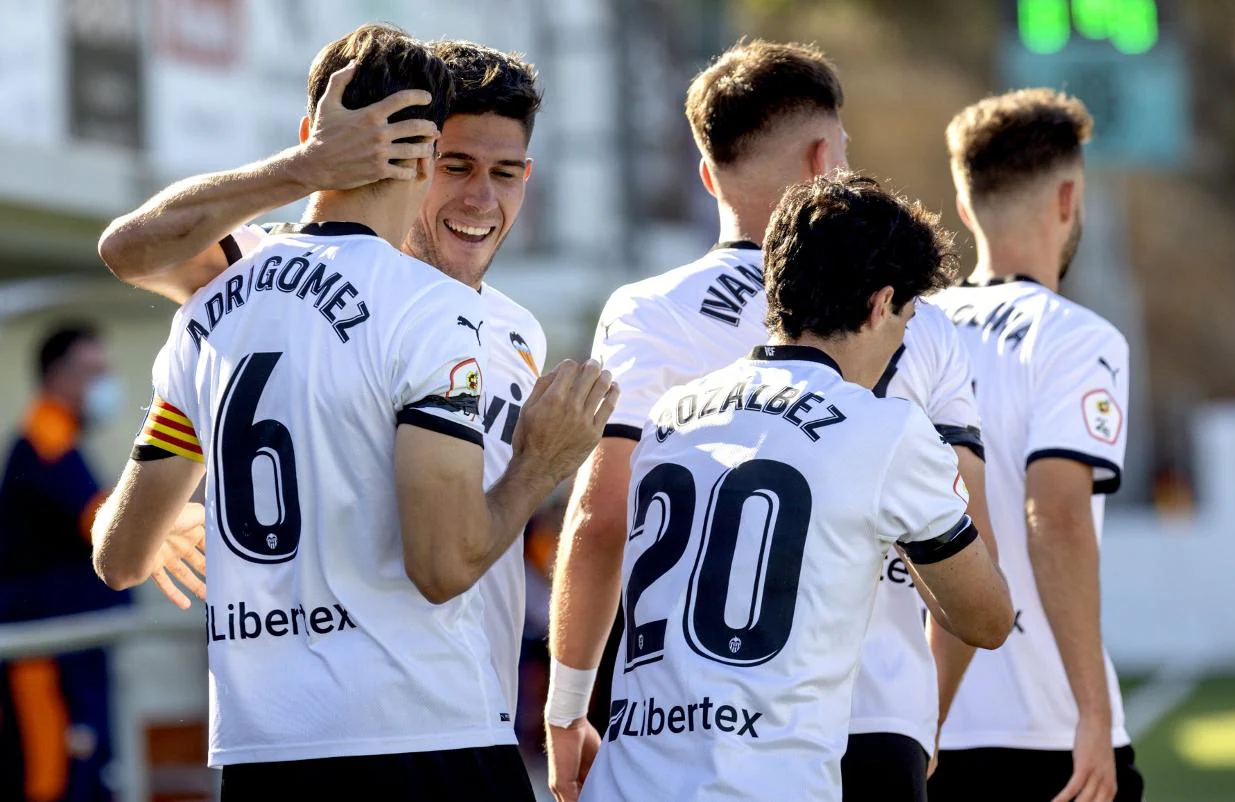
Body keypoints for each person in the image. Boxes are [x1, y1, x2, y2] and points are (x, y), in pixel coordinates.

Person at [89, 24, 615, 799]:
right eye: (457, 164)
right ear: (423, 157)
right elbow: (129, 248)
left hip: (344, 730)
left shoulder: (513, 329)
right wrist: (544, 459)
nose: (479, 197)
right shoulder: (265, 270)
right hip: (419, 731)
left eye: (506, 173)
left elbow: (120, 549)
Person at [545, 39, 999, 802]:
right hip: (872, 712)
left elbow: (600, 517)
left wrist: (566, 706)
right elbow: (967, 556)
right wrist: (930, 717)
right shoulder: (914, 317)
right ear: (825, 159)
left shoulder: (647, 312)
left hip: (686, 722)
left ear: (707, 174)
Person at [926, 88, 1145, 802]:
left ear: (965, 209)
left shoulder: (906, 333)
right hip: (1044, 735)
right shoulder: (1077, 338)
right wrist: (1094, 712)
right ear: (1067, 198)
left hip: (917, 726)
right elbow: (1054, 514)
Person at [0, 324, 128, 802]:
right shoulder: (45, 437)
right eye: (93, 373)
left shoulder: (62, 439)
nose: (105, 386)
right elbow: (106, 525)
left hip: (72, 650)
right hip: (45, 654)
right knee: (51, 782)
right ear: (57, 376)